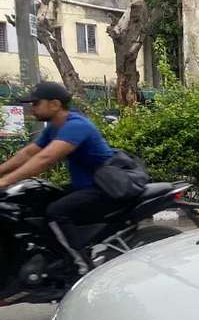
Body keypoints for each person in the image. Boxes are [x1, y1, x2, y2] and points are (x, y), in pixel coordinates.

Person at [0, 82, 117, 274]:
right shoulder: (55, 127)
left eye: (36, 103)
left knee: (56, 212)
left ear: (54, 105)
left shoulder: (77, 126)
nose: (32, 107)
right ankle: (47, 255)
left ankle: (81, 265)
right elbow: (28, 153)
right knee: (35, 202)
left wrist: (5, 181)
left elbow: (45, 158)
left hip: (103, 188)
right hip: (83, 187)